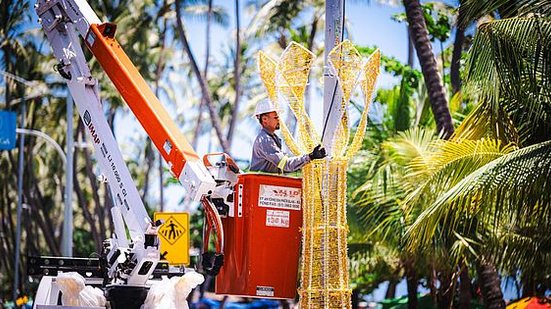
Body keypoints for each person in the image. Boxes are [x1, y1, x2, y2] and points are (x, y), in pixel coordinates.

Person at [250, 100, 326, 173]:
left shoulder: (272, 138)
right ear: (265, 119)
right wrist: (310, 156)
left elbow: (284, 167)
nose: (279, 120)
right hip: (260, 184)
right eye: (276, 117)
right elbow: (286, 164)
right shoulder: (265, 140)